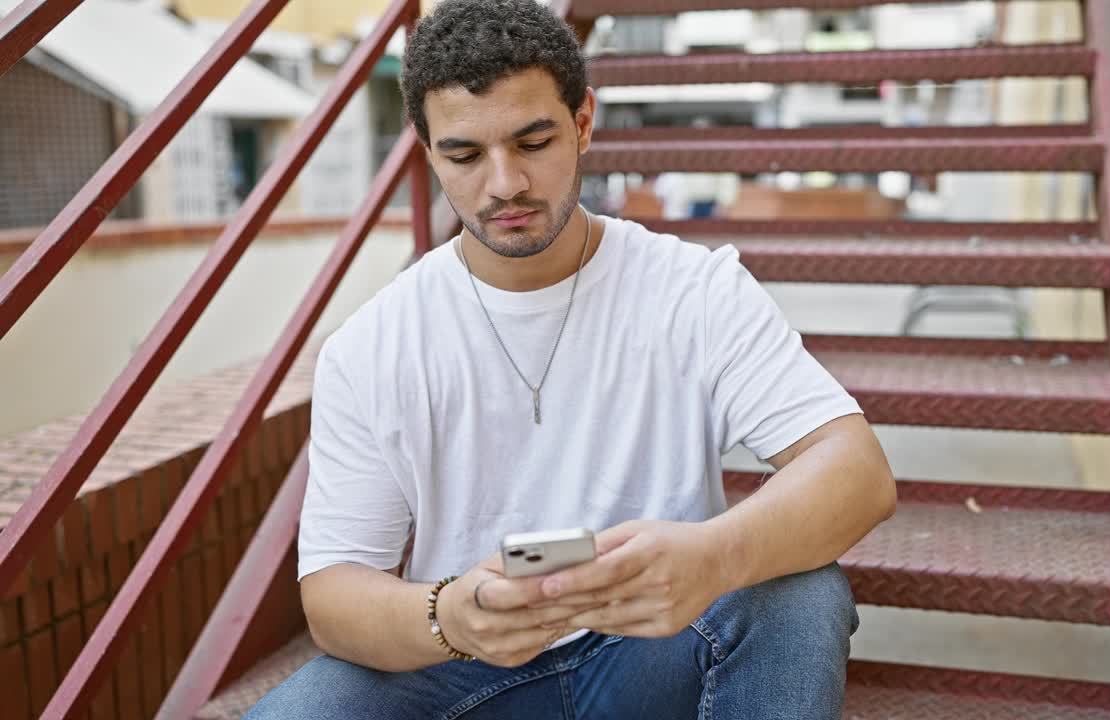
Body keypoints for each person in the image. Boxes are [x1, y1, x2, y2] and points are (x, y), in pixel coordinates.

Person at [247, 1, 895, 717]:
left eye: (532, 143)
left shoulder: (694, 289)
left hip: (656, 646)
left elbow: (856, 471)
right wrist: (450, 615)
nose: (504, 185)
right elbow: (334, 593)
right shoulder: (372, 345)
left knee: (800, 593)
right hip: (472, 667)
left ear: (583, 122)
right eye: (464, 154)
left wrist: (716, 557)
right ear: (427, 151)